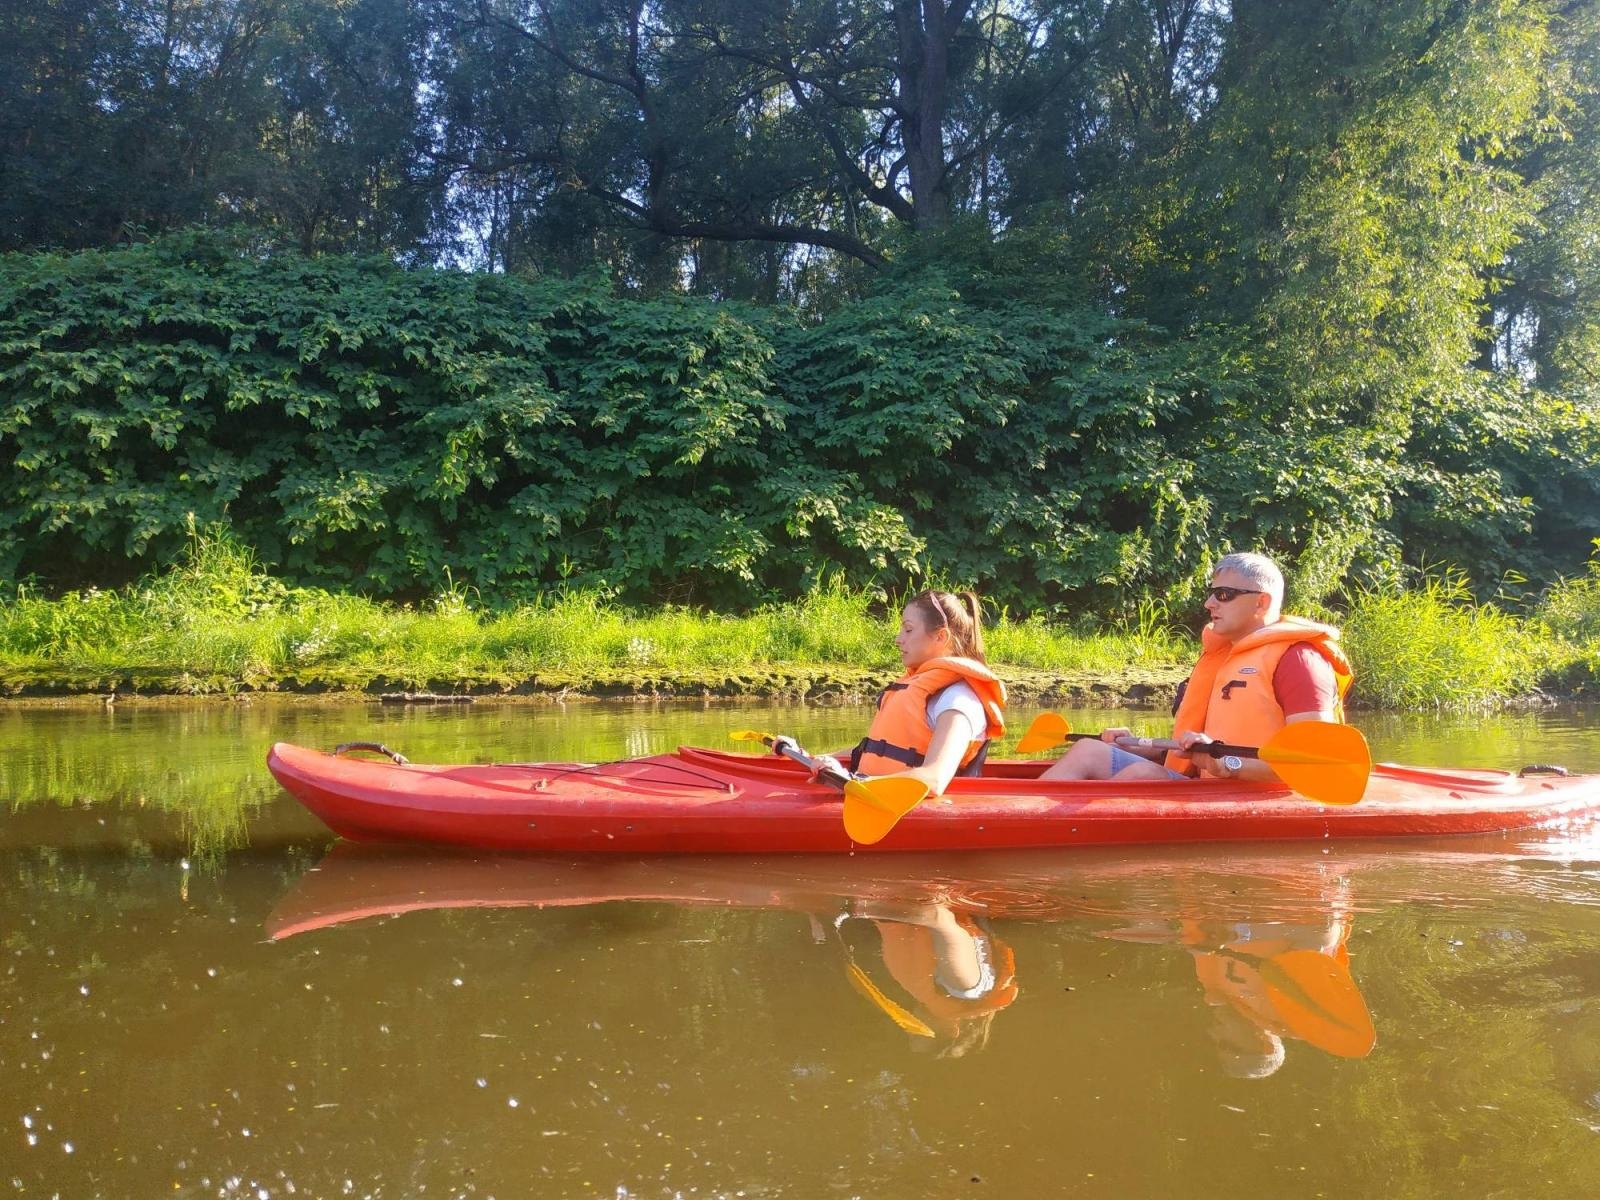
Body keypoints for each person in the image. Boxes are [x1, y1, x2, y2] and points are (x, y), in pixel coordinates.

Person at [1041, 552, 1352, 783]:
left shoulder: (1299, 660)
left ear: (1262, 602)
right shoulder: (1223, 657)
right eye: (1212, 593)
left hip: (1258, 793)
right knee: (1088, 750)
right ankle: (1034, 820)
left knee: (1141, 777)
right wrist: (1140, 746)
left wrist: (1226, 765)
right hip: (1210, 786)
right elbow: (1193, 751)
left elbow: (1315, 762)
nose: (1209, 603)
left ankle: (1065, 835)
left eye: (1224, 595)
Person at [806, 589, 1006, 798]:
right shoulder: (921, 685)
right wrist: (815, 759)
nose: (898, 639)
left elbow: (934, 779)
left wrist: (854, 782)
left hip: (914, 807)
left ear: (941, 636)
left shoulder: (959, 701)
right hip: (874, 795)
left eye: (908, 630)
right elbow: (877, 750)